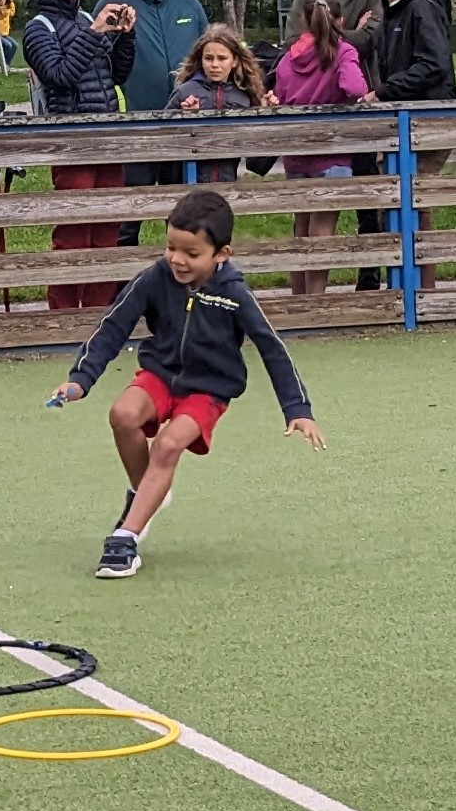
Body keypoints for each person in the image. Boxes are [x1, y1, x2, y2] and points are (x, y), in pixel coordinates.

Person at [49, 187, 324, 579]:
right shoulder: (154, 279)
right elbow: (113, 327)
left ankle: (125, 539)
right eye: (171, 248)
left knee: (168, 444)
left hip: (207, 389)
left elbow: (272, 348)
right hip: (159, 375)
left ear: (221, 255)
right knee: (123, 414)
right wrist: (80, 380)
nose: (177, 260)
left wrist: (298, 410)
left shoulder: (235, 294)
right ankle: (147, 492)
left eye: (191, 254)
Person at [21, 0, 138, 309]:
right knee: (74, 230)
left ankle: (103, 313)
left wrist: (125, 36)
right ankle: (65, 313)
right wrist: (95, 33)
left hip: (106, 137)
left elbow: (116, 74)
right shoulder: (38, 30)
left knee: (107, 231)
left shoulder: (87, 20)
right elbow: (59, 75)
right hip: (71, 141)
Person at [100, 0, 209, 248]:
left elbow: (210, 61)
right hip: (134, 131)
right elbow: (96, 61)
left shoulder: (189, 7)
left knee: (183, 222)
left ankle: (179, 292)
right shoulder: (114, 3)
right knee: (126, 221)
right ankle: (121, 292)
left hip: (183, 131)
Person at [363, 0, 456, 282]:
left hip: (427, 120)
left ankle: (420, 291)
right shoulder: (393, 10)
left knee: (410, 201)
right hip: (407, 120)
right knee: (399, 201)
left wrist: (385, 92)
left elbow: (435, 64)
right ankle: (409, 288)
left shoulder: (420, 7)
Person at [272, 0, 370, 296]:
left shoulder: (290, 59)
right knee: (322, 229)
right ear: (341, 20)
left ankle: (299, 297)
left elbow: (282, 96)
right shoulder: (342, 52)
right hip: (332, 153)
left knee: (301, 227)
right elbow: (355, 86)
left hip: (297, 152)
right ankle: (316, 299)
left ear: (304, 21)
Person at [170, 25, 267, 175]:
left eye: (222, 58)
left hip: (228, 183)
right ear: (201, 59)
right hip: (189, 182)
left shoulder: (245, 96)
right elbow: (164, 145)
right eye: (208, 58)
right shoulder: (185, 92)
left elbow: (257, 164)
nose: (215, 65)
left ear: (234, 61)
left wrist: (266, 115)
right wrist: (187, 119)